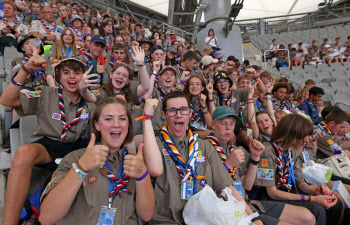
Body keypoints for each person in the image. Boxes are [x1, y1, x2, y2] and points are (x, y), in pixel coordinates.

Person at [0, 57, 96, 225]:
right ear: (58, 77)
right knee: (23, 152)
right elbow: (6, 101)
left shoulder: (92, 98)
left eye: (77, 72)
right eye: (66, 72)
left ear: (84, 76)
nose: (71, 77)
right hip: (50, 144)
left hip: (78, 148)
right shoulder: (46, 94)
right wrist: (25, 70)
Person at [39, 97, 162, 224]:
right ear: (97, 125)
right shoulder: (75, 158)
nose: (116, 124)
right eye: (108, 118)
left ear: (129, 125)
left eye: (122, 118)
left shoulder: (135, 163)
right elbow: (46, 217)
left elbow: (146, 215)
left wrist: (143, 176)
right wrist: (81, 168)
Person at [150, 91, 263, 225]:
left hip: (204, 219)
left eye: (183, 110)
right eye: (172, 110)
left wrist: (253, 219)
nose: (179, 114)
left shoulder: (204, 147)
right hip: (168, 221)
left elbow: (227, 186)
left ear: (190, 113)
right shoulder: (154, 146)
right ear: (164, 115)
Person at [207, 106, 317, 225]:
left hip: (246, 202)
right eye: (224, 123)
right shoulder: (205, 148)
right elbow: (205, 185)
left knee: (309, 217)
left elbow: (247, 185)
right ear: (213, 125)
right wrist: (228, 165)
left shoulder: (234, 149)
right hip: (224, 206)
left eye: (232, 124)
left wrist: (255, 157)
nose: (228, 128)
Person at [253, 114, 344, 225]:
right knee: (317, 209)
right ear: (291, 134)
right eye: (303, 136)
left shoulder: (290, 151)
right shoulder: (267, 152)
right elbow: (271, 192)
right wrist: (311, 198)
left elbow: (300, 182)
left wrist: (315, 192)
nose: (307, 140)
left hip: (286, 189)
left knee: (336, 204)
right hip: (266, 196)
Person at [78, 46, 149, 109]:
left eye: (125, 76)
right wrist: (82, 88)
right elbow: (90, 97)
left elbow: (145, 87)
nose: (120, 77)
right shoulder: (102, 92)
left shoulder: (130, 93)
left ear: (127, 81)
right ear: (111, 75)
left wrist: (141, 64)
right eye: (118, 73)